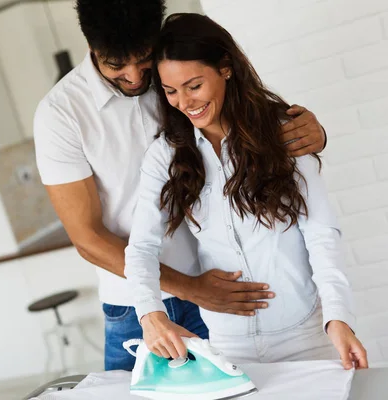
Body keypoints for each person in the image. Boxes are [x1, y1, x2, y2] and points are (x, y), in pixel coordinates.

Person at [34, 0, 328, 371]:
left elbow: (244, 118)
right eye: (115, 66)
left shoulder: (175, 76)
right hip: (138, 306)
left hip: (223, 289)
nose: (136, 78)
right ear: (91, 46)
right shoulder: (60, 114)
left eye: (142, 60)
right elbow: (87, 238)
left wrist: (307, 133)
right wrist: (192, 288)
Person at [124, 13, 368, 370]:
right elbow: (142, 245)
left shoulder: (285, 131)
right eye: (171, 91)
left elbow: (321, 233)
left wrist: (338, 318)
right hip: (228, 345)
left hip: (306, 337)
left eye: (194, 85)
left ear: (225, 68)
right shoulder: (166, 154)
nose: (184, 102)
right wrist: (150, 314)